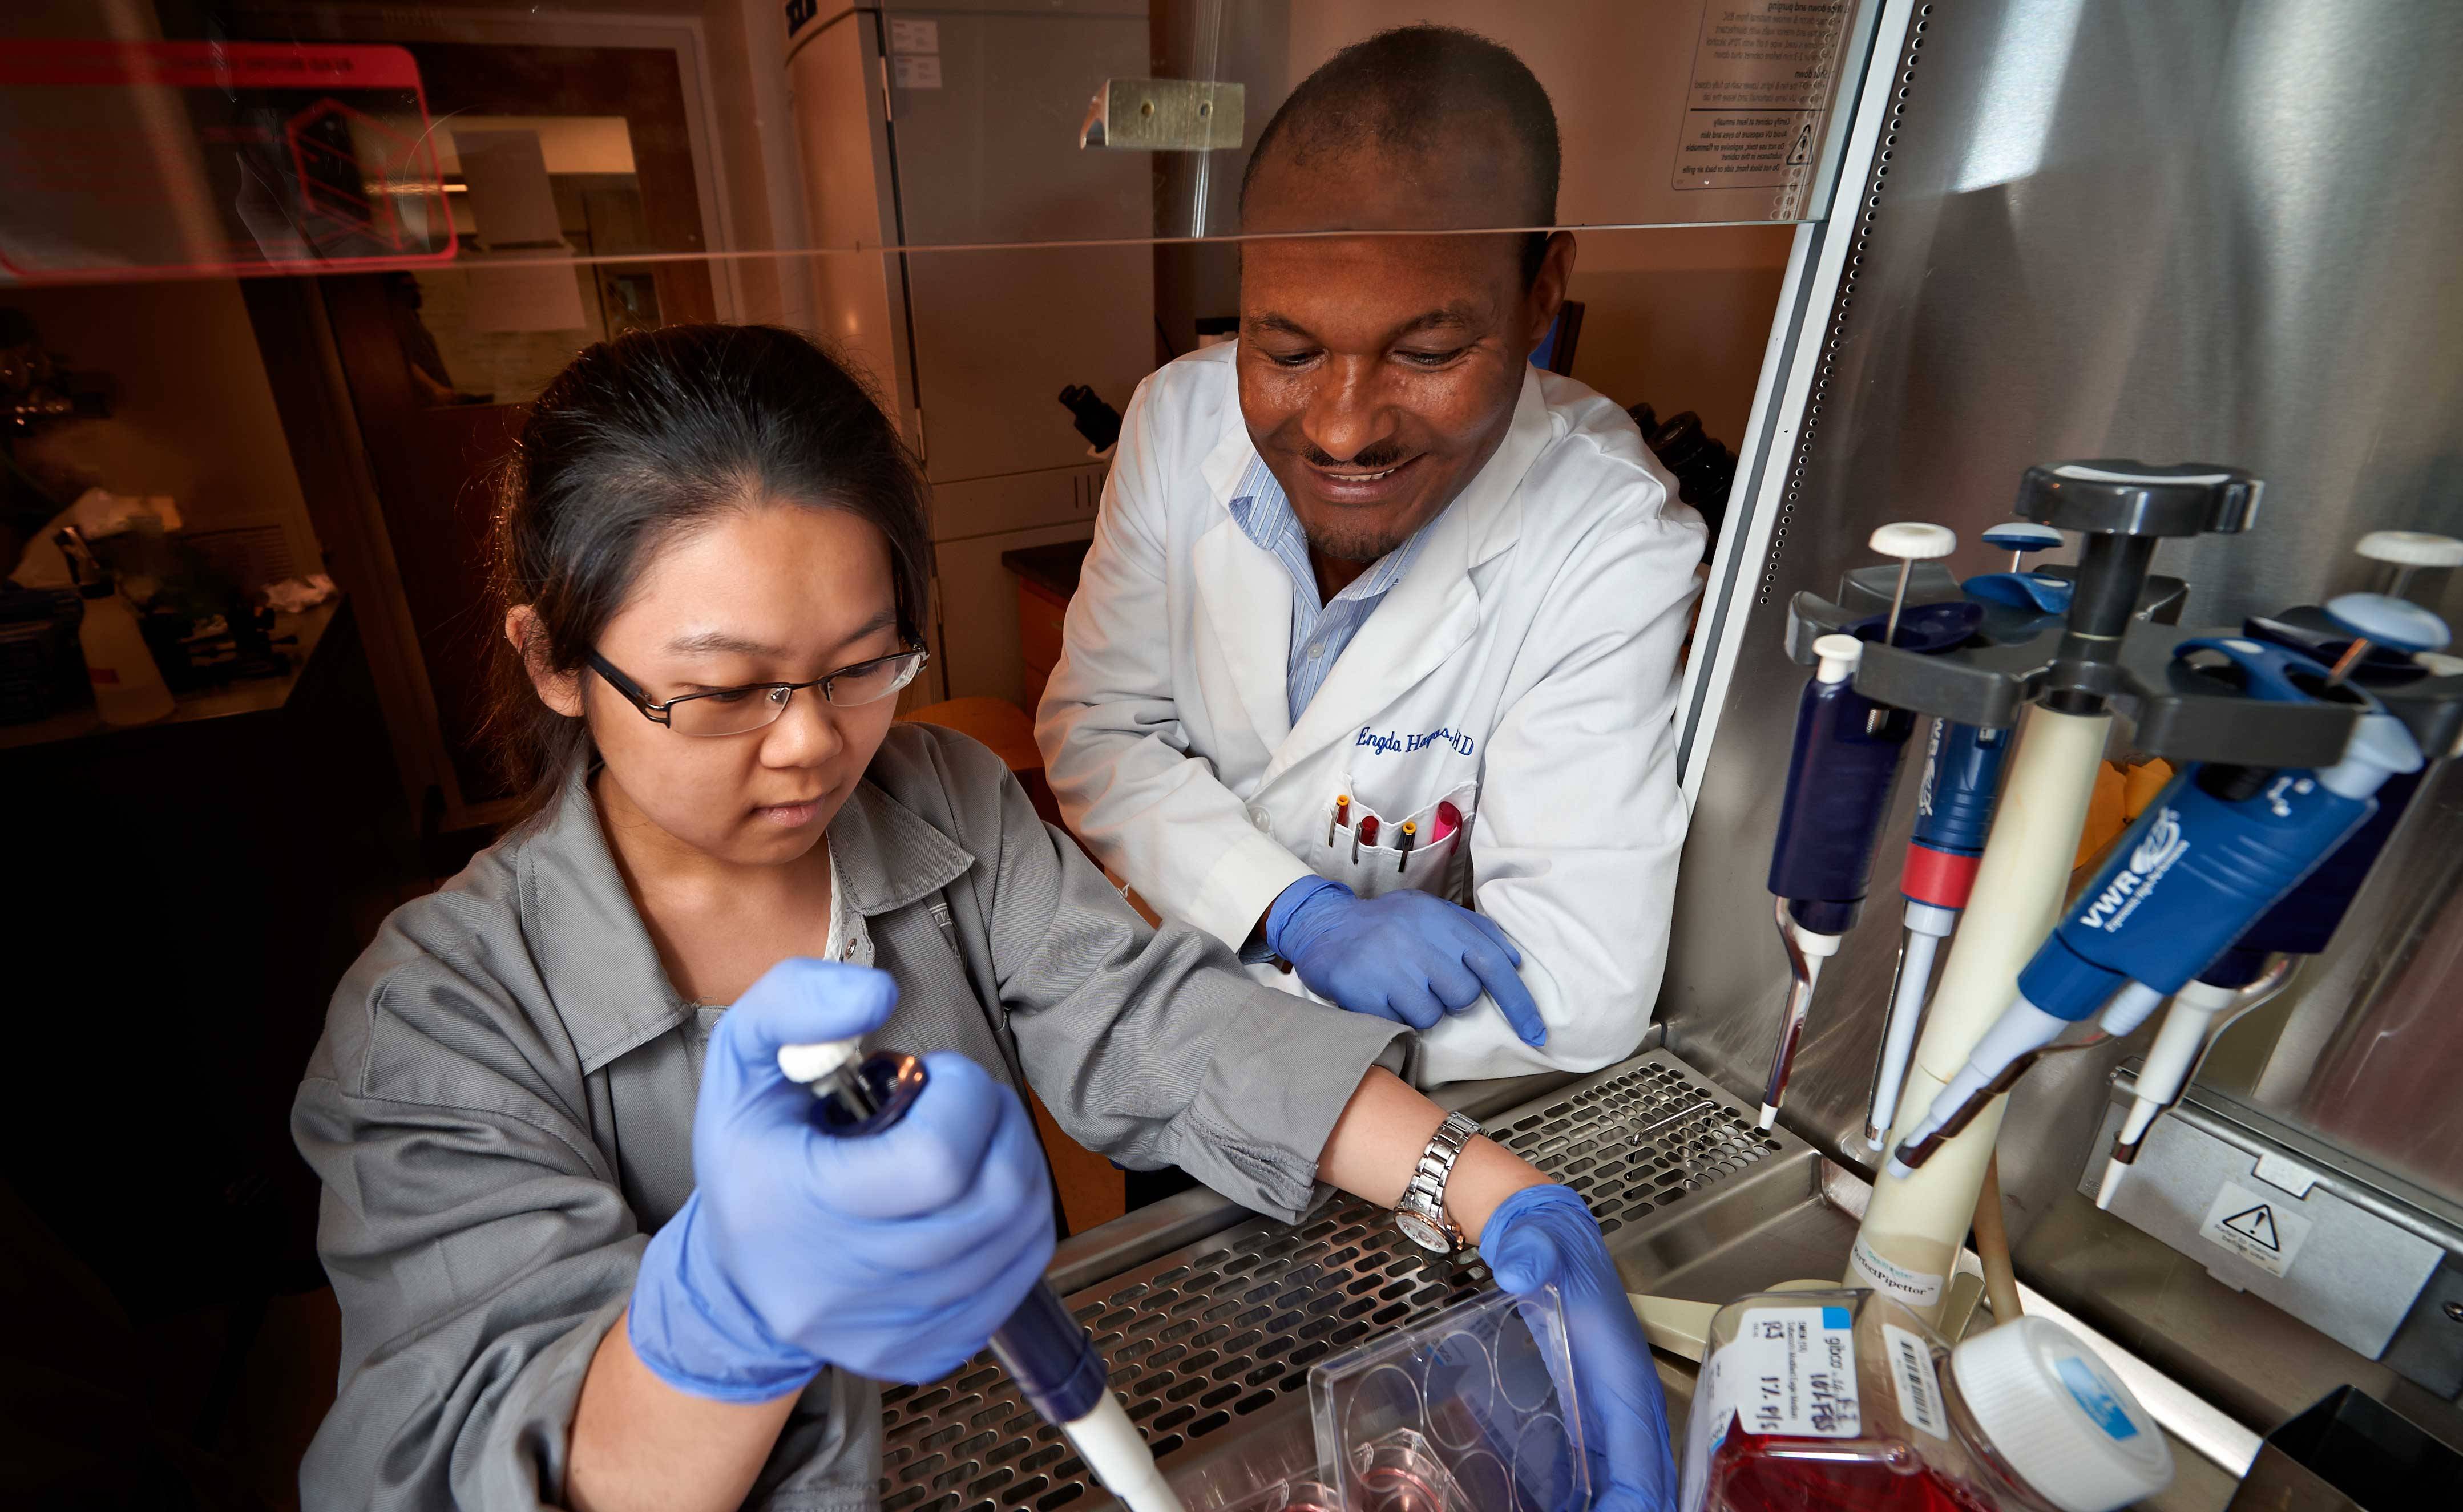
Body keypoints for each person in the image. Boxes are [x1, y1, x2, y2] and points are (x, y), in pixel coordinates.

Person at [291, 325, 1674, 1511]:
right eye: (724, 689)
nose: (807, 747)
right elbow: (482, 1460)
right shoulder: (434, 1016)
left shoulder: (940, 799)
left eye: (858, 664)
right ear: (552, 660)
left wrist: (1490, 1187)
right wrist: (730, 1310)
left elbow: (1150, 1020)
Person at [1036, 26, 1706, 1084]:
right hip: (1176, 1061)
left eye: (1428, 352)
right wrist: (1292, 912)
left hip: (1421, 1096)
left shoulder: (1608, 535)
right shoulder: (1178, 419)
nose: (1344, 431)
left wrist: (1209, 1012)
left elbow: (1576, 984)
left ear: (1543, 294)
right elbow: (1100, 726)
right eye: (1287, 350)